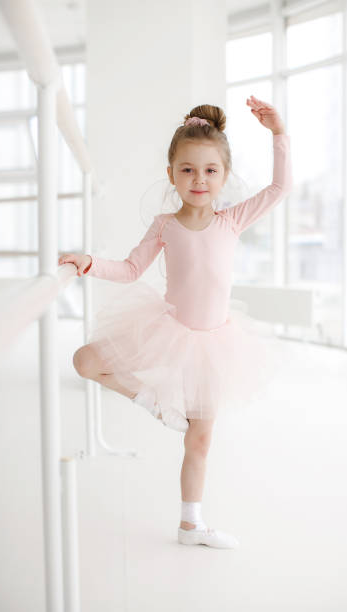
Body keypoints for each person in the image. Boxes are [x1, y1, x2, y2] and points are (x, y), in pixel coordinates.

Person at [58, 95, 293, 549]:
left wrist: (278, 132)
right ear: (171, 175)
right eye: (187, 169)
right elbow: (129, 269)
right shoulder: (165, 225)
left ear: (224, 176)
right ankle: (152, 400)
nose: (198, 179)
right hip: (168, 332)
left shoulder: (233, 219)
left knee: (200, 442)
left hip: (216, 346)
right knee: (85, 360)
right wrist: (89, 262)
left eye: (209, 170)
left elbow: (280, 189)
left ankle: (191, 525)